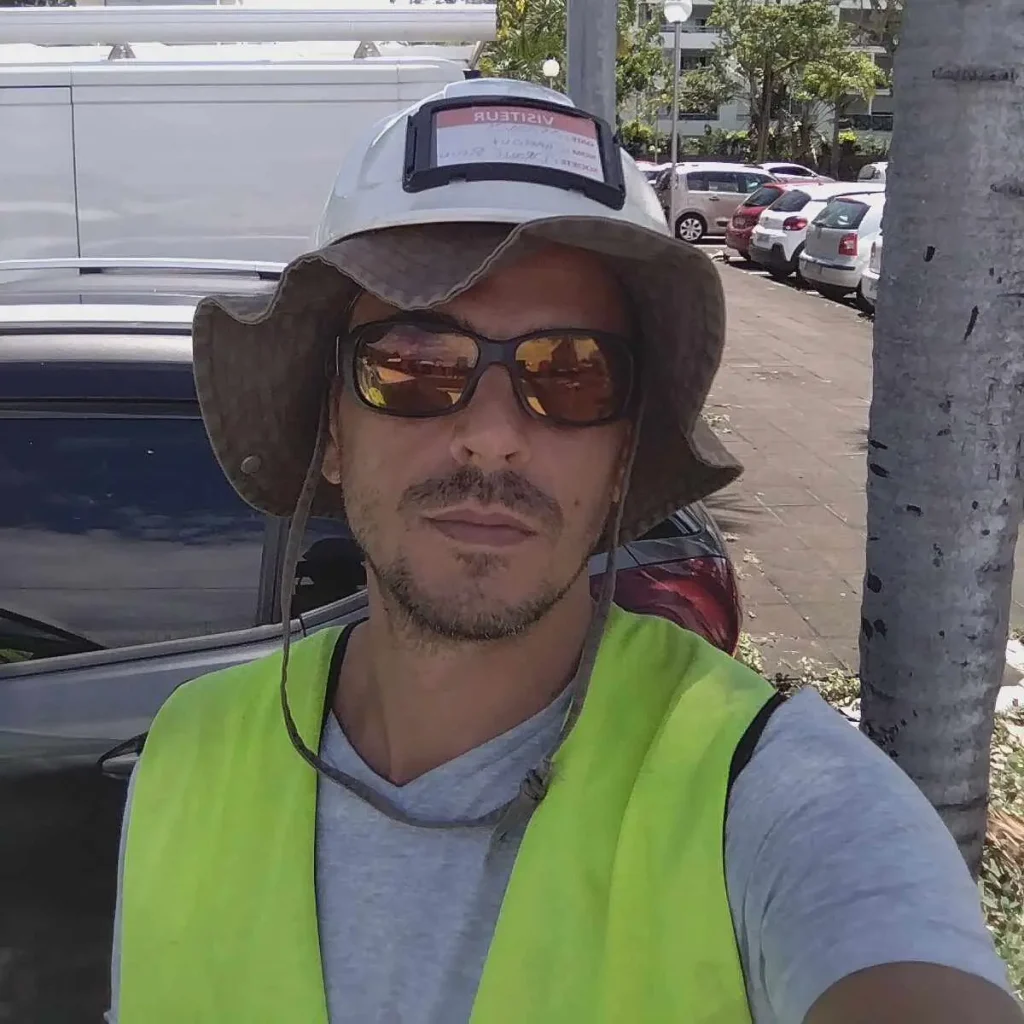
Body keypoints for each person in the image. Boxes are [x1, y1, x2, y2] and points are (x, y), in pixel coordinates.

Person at [108, 79, 1020, 1024]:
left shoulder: (775, 798)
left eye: (573, 374)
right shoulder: (190, 752)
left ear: (623, 455)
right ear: (332, 430)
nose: (492, 437)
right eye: (416, 365)